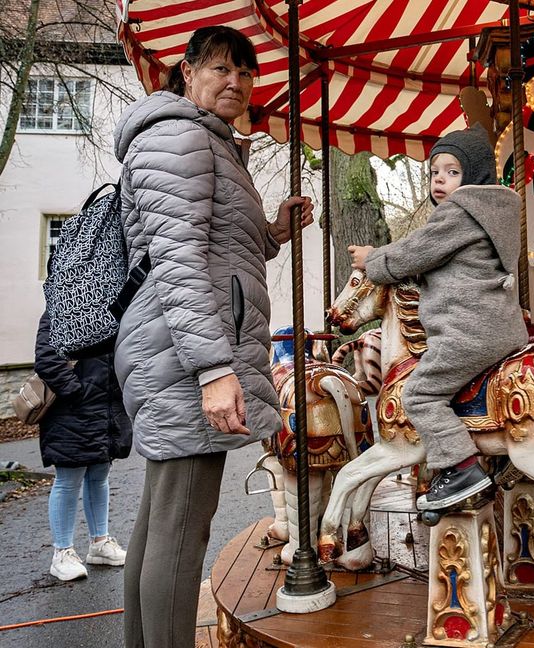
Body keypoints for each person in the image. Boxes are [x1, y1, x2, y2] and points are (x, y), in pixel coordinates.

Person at [112, 26, 313, 646]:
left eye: (246, 72)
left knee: (162, 519)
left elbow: (220, 250)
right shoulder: (181, 137)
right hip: (185, 353)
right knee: (181, 529)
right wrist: (214, 369)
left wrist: (273, 231)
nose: (237, 82)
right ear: (187, 71)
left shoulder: (211, 144)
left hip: (180, 348)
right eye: (222, 68)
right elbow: (177, 262)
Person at [348, 125, 527, 512]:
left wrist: (373, 260)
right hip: (500, 327)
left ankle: (461, 467)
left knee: (420, 392)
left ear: (474, 177)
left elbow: (414, 252)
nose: (440, 180)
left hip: (470, 330)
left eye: (452, 172)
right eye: (434, 173)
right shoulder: (492, 213)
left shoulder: (461, 212)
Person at [34, 311, 132, 581]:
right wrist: (77, 391)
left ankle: (99, 543)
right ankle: (62, 553)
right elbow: (46, 358)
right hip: (72, 411)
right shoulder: (62, 307)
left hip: (105, 411)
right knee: (68, 479)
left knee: (100, 475)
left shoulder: (112, 308)